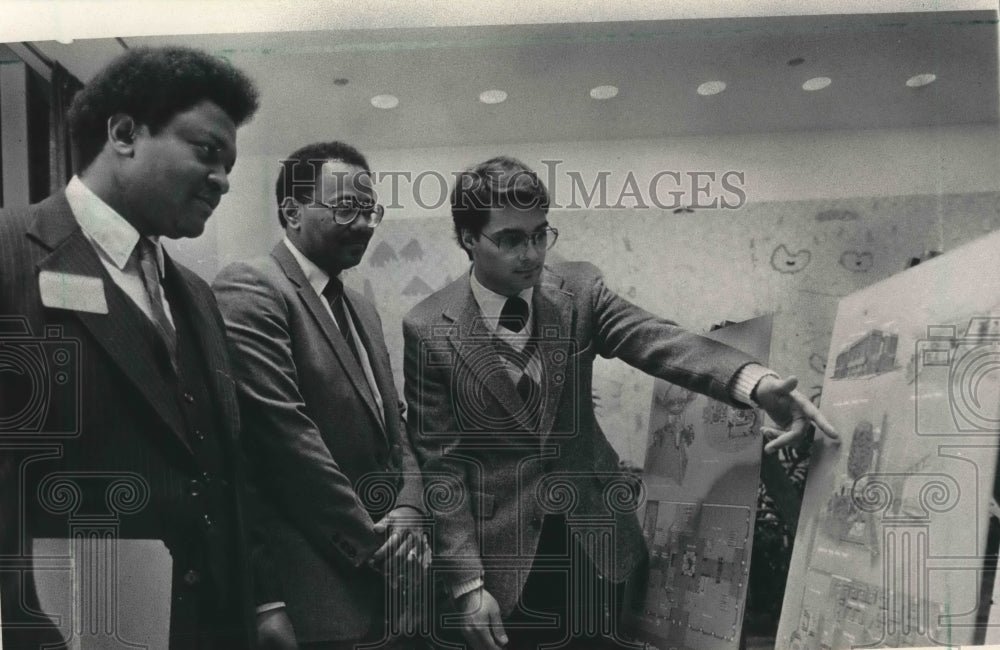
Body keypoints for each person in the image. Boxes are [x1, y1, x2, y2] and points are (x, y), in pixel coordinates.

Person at [402, 156, 839, 650]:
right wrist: (466, 584)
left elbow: (657, 339)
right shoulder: (426, 327)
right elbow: (441, 464)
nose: (532, 253)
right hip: (503, 563)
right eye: (510, 239)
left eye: (541, 234)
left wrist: (755, 383)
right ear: (467, 238)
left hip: (598, 542)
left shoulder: (579, 289)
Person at [0, 47, 260, 649]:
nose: (222, 179)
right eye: (207, 152)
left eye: (230, 164)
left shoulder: (195, 294)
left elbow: (223, 472)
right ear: (124, 134)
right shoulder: (11, 253)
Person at [213, 141, 430, 650]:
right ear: (291, 212)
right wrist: (377, 545)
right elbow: (287, 438)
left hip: (383, 593)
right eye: (345, 209)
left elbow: (392, 425)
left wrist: (411, 509)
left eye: (370, 209)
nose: (364, 224)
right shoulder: (252, 287)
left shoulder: (360, 305)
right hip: (311, 591)